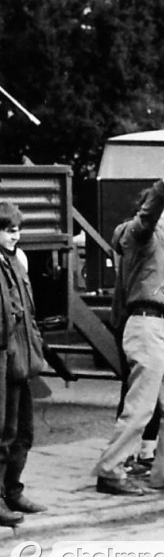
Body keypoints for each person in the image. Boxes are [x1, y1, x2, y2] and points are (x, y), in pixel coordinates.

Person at [94, 149, 164, 494]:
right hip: (146, 325)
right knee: (141, 406)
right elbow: (147, 217)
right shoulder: (140, 233)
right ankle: (110, 470)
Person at [0, 202, 47, 523]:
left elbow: (28, 314)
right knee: (2, 433)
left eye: (17, 229)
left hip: (22, 357)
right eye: (8, 230)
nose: (15, 235)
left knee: (23, 432)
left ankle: (13, 492)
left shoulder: (17, 263)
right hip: (3, 358)